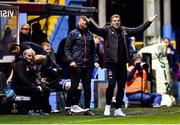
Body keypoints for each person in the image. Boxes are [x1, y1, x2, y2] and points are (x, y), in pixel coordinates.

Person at [84, 14, 158, 116]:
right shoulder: (106, 31)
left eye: (118, 20)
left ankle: (118, 109)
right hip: (111, 63)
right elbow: (96, 30)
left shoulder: (124, 30)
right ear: (111, 22)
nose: (116, 22)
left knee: (122, 87)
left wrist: (148, 22)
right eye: (114, 20)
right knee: (111, 84)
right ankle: (108, 106)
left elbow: (138, 30)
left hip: (122, 63)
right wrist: (89, 22)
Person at [64, 16, 99, 115]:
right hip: (76, 65)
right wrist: (71, 60)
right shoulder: (73, 33)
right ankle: (67, 107)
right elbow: (67, 49)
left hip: (88, 65)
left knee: (87, 87)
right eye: (83, 21)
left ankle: (87, 109)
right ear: (79, 22)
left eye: (86, 22)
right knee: (74, 87)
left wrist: (95, 61)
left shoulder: (90, 34)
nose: (85, 23)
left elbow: (93, 51)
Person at [12, 48, 51, 116]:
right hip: (20, 87)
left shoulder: (31, 64)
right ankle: (32, 110)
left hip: (30, 85)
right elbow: (22, 78)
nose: (30, 57)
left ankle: (41, 109)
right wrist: (33, 86)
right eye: (29, 56)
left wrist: (38, 85)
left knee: (46, 90)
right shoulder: (20, 63)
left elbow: (34, 77)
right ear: (24, 55)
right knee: (36, 90)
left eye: (32, 56)